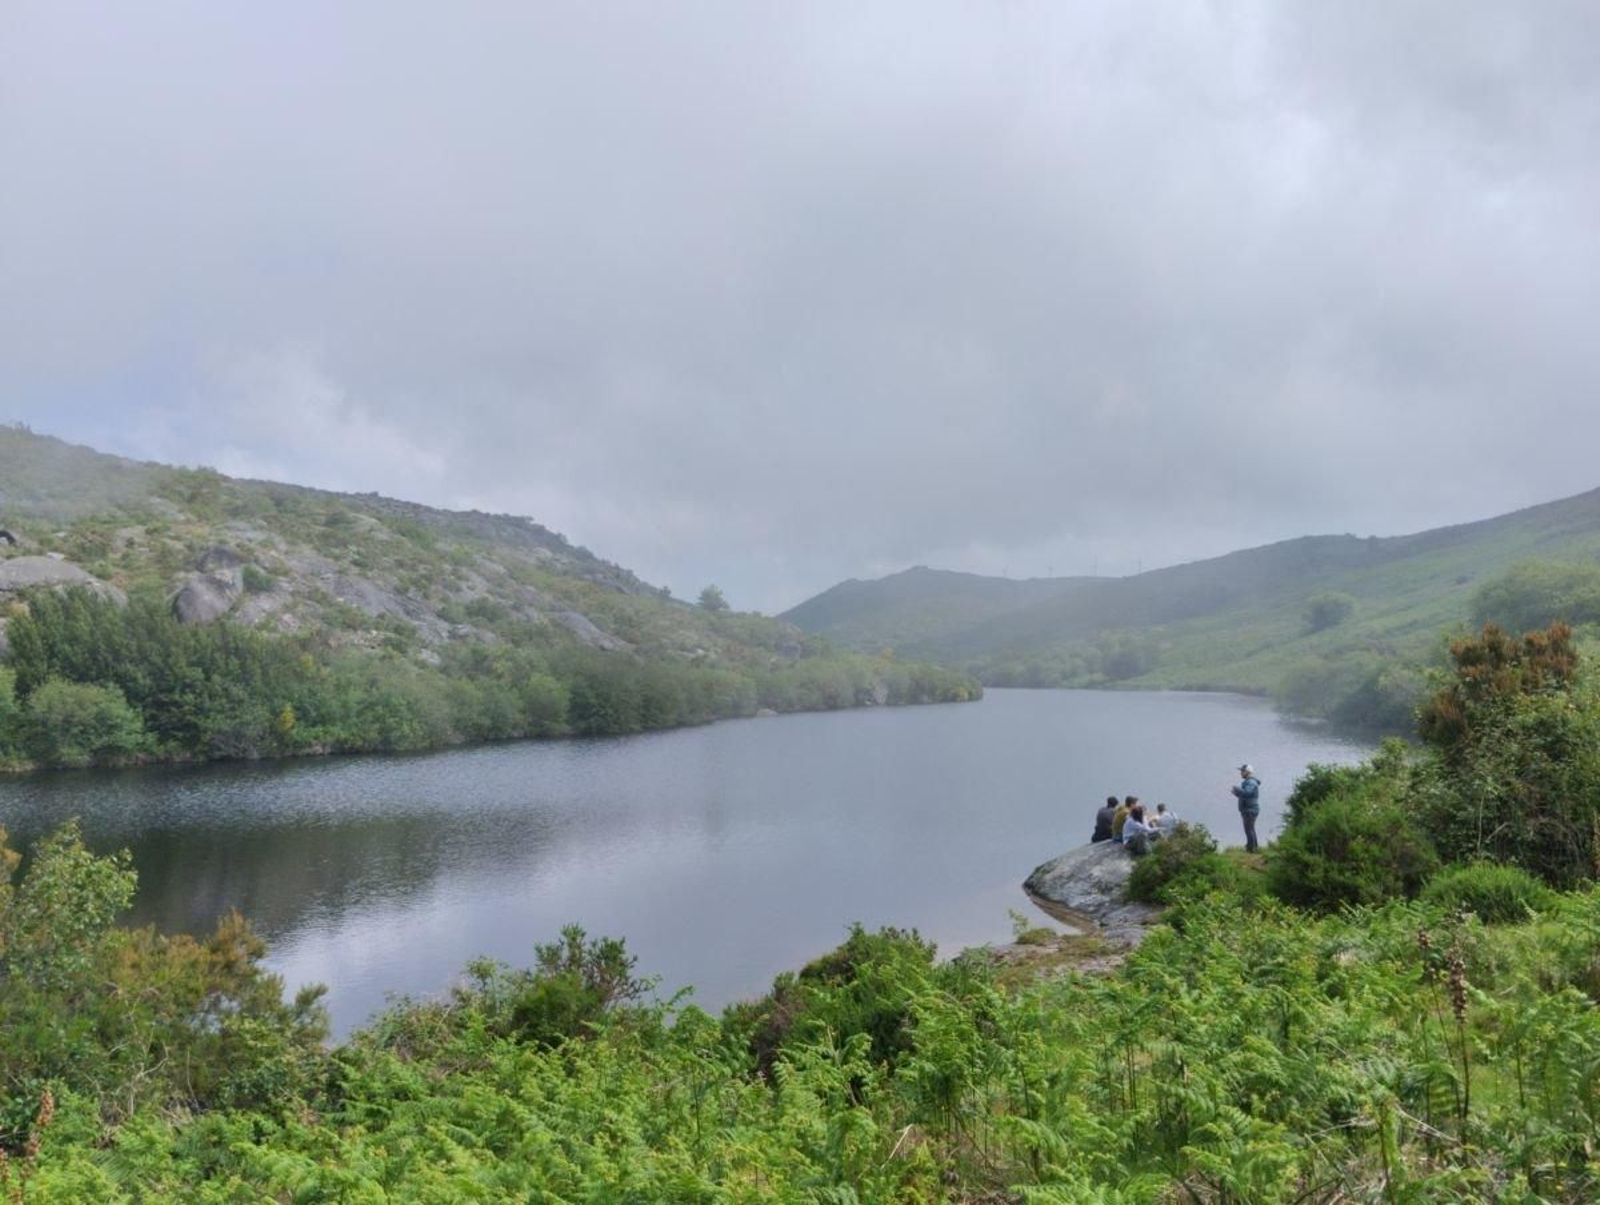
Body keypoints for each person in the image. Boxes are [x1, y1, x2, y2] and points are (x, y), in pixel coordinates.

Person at [1232, 763, 1261, 853]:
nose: (1241, 773)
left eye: (1242, 771)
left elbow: (1247, 793)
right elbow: (1246, 795)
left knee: (1249, 829)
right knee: (1250, 829)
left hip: (1250, 810)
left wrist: (1238, 790)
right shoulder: (1249, 782)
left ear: (1247, 772)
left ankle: (1251, 849)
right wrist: (1237, 794)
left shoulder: (1251, 782)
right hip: (1249, 809)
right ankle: (1253, 847)